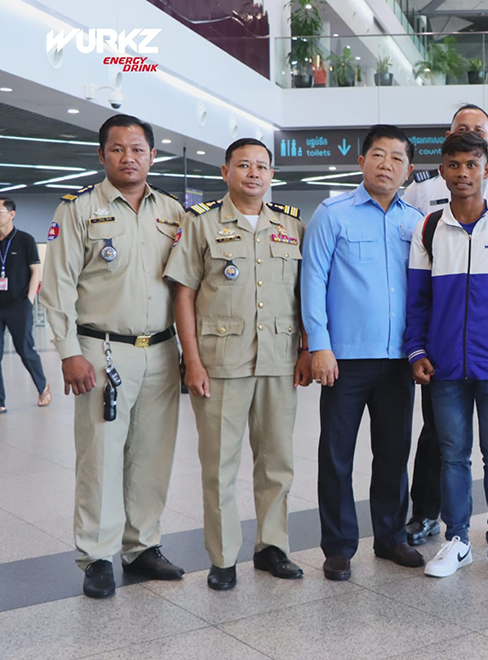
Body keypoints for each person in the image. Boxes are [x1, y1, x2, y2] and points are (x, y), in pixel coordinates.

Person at [40, 114, 186, 599]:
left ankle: (142, 546)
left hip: (162, 351)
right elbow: (57, 286)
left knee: (152, 456)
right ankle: (98, 555)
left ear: (152, 155)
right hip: (101, 352)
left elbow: (187, 287)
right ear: (102, 156)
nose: (129, 158)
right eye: (118, 149)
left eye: (138, 149)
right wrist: (67, 353)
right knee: (100, 457)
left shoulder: (172, 211)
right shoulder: (79, 210)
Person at [165, 138, 311, 590]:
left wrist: (306, 348)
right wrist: (191, 360)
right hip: (219, 362)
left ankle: (271, 546)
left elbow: (306, 294)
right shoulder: (202, 224)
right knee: (219, 466)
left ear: (272, 174)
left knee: (277, 462)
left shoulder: (291, 226)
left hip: (278, 361)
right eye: (243, 165)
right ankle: (223, 557)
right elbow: (183, 293)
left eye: (262, 166)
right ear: (225, 171)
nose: (253, 173)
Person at [402, 104, 488, 549]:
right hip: (444, 368)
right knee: (451, 457)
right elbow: (417, 300)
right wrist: (417, 351)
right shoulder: (428, 227)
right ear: (442, 170)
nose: (463, 172)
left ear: (487, 169)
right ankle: (456, 538)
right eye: (455, 165)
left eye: (472, 165)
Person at [301, 126, 425, 582]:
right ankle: (338, 546)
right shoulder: (333, 214)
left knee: (393, 452)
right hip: (344, 358)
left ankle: (391, 537)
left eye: (396, 158)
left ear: (408, 170)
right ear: (361, 161)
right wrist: (319, 346)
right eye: (378, 154)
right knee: (336, 454)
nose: (386, 164)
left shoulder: (416, 222)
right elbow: (311, 282)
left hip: (399, 360)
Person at [0, 197, 50, 413]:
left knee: (25, 350)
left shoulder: (25, 240)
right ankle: (0, 401)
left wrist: (28, 301)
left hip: (19, 304)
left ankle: (43, 387)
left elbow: (35, 271)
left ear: (12, 214)